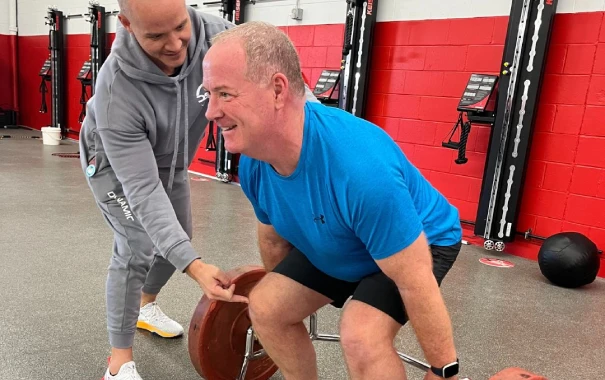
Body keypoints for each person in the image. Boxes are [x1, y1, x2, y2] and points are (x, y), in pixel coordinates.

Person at [200, 21, 464, 380]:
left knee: (361, 335)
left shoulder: (359, 171)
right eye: (209, 94)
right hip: (343, 240)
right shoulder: (254, 163)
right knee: (266, 306)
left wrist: (442, 370)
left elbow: (414, 278)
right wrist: (289, 302)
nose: (211, 111)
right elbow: (274, 239)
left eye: (225, 94)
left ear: (278, 90)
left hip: (421, 241)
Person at [78, 0, 254, 379]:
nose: (175, 45)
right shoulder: (116, 92)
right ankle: (118, 361)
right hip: (113, 163)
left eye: (179, 27)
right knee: (138, 244)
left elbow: (270, 69)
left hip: (172, 158)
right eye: (156, 35)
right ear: (126, 24)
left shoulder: (215, 34)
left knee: (180, 235)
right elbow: (141, 189)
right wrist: (196, 266)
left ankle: (144, 306)